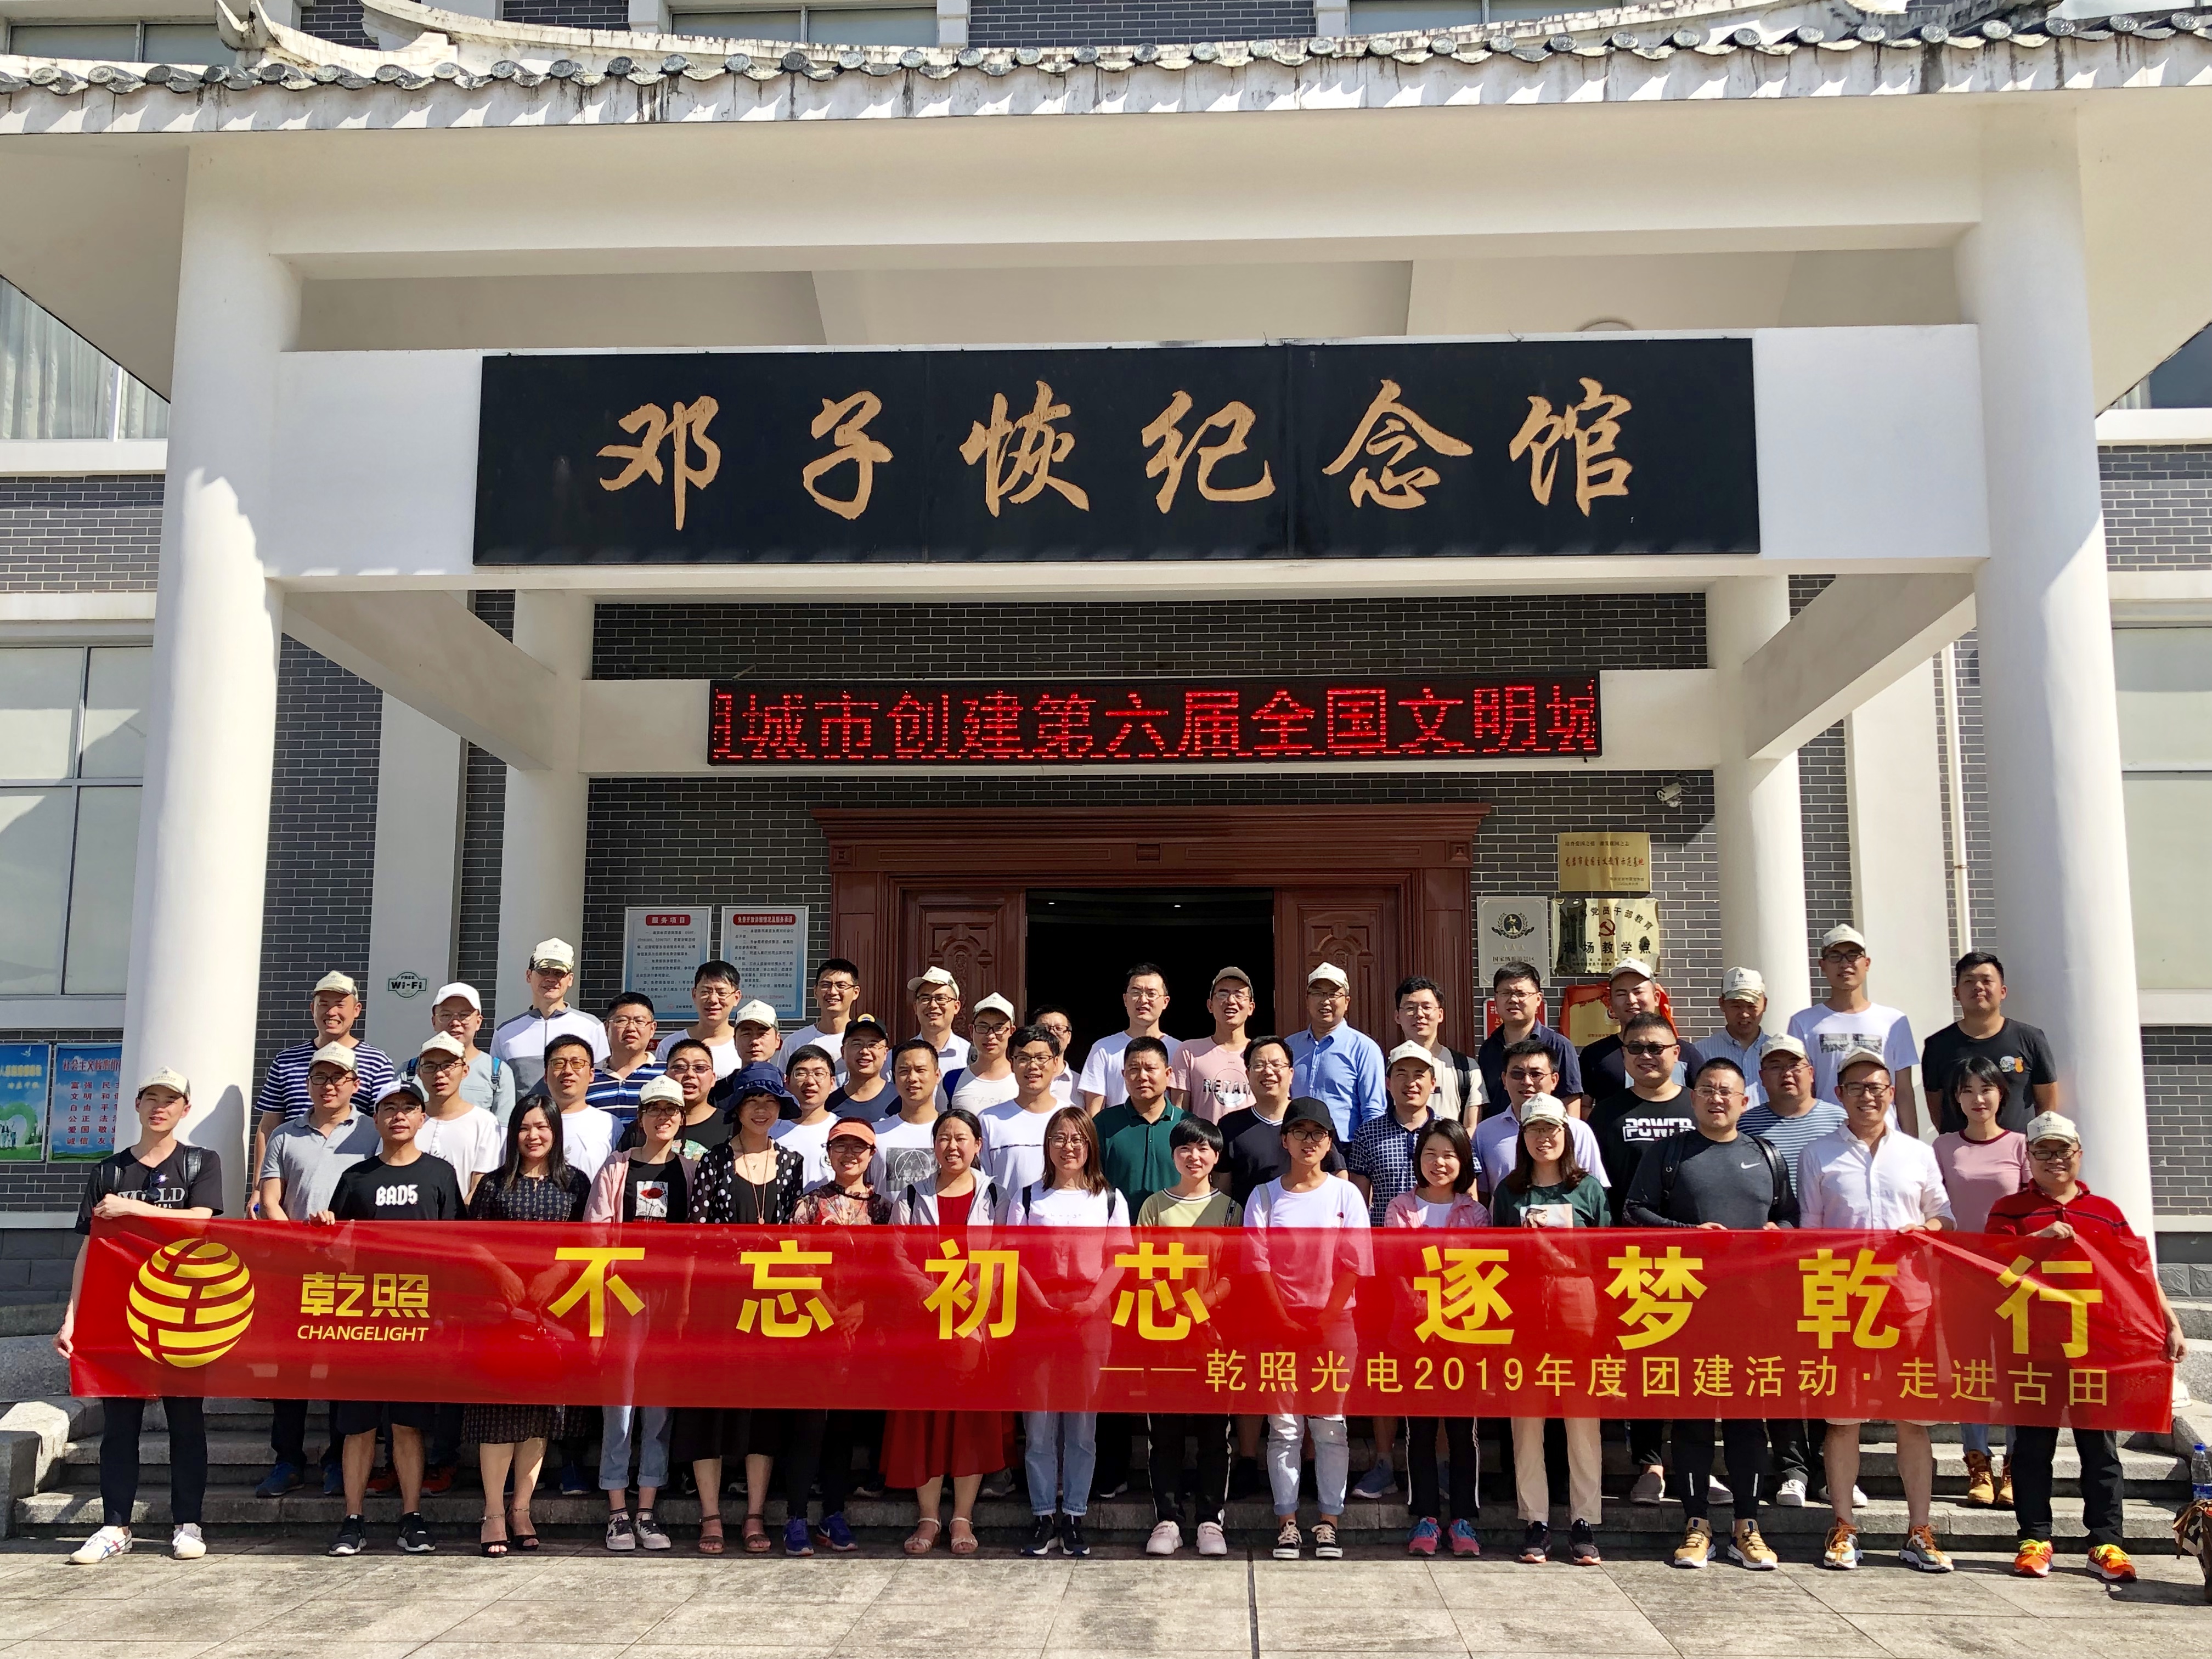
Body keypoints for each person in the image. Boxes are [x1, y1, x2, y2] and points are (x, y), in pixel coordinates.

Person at [1989, 1111, 2189, 1584]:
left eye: (2063, 1150)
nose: (2054, 1159)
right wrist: (2037, 1239)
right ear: (2028, 1157)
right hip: (2033, 1346)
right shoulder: (2009, 1211)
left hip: (2096, 1350)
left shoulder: (2105, 1211)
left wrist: (2171, 1323)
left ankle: (2106, 1542)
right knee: (2032, 1448)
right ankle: (2034, 1540)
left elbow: (2136, 1273)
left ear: (2078, 1155)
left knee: (2100, 1449)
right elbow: (1992, 1269)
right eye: (2043, 1151)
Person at [1622, 1057, 1794, 1571]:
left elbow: (1790, 1217)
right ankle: (1696, 1524)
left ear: (1744, 1101)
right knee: (1693, 1420)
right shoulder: (1669, 1153)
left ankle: (1748, 1526)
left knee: (1747, 1421)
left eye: (1727, 1092)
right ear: (1692, 1098)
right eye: (1707, 1090)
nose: (1717, 1099)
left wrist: (1780, 1233)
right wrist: (1687, 1235)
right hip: (1687, 1308)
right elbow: (1635, 1211)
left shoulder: (1766, 1154)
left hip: (1753, 1310)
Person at [1796, 1049, 1955, 1573]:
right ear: (1838, 1095)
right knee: (1843, 1419)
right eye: (1857, 1088)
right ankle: (1843, 1526)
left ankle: (1920, 1529)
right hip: (1843, 1302)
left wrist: (1926, 1230)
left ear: (1891, 1093)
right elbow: (1810, 1232)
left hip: (1910, 1301)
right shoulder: (1818, 1153)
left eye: (1878, 1087)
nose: (1869, 1096)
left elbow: (1945, 1218)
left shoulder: (1918, 1153)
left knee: (1915, 1418)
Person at [58, 1068, 221, 1565]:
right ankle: (115, 1526)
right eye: (151, 1097)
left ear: (185, 1109)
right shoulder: (109, 1172)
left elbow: (202, 1220)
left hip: (182, 1314)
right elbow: (90, 1248)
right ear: (137, 1104)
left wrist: (134, 1211)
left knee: (186, 1423)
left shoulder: (200, 1162)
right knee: (120, 1426)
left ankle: (187, 1522)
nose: (160, 1107)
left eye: (170, 1099)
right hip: (117, 1315)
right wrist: (72, 1316)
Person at [312, 1080, 466, 1558]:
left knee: (408, 1424)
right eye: (390, 1109)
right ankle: (352, 1520)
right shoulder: (356, 1177)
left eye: (408, 1108)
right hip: (364, 1318)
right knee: (358, 1425)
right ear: (375, 1119)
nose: (399, 1116)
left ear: (422, 1118)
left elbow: (458, 1245)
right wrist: (323, 1230)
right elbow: (331, 1249)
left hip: (418, 1318)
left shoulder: (440, 1174)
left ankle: (411, 1517)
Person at [681, 1077, 806, 1554]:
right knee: (707, 1409)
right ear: (737, 1108)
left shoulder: (793, 1162)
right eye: (752, 1101)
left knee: (764, 1410)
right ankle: (711, 1514)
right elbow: (698, 1235)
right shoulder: (713, 1161)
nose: (761, 1110)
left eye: (770, 1102)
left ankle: (755, 1513)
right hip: (719, 1299)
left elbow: (798, 1236)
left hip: (772, 1301)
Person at [1245, 1097, 1372, 1561]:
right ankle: (1287, 1523)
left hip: (1334, 1327)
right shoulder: (1264, 1196)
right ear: (1285, 1140)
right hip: (1276, 1325)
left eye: (1318, 1133)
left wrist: (1325, 1317)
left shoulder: (1346, 1196)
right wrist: (1282, 1318)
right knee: (1284, 1428)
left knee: (1330, 1427)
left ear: (1329, 1142)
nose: (1309, 1141)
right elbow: (1257, 1263)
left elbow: (1355, 1263)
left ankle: (1329, 1522)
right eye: (1299, 1132)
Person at [463, 1098, 590, 1555]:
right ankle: (493, 1513)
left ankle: (521, 1509)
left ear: (555, 1132)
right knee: (499, 1414)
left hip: (553, 1311)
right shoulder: (495, 1184)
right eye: (524, 1127)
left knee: (539, 1415)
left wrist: (556, 1274)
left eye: (542, 1127)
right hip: (502, 1311)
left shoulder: (575, 1184)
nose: (533, 1136)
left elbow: (586, 1243)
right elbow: (471, 1241)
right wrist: (501, 1272)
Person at [255, 1041, 381, 1499]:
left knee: (342, 1368)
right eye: (320, 1078)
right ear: (307, 1084)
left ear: (355, 1084)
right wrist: (297, 1242)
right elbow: (271, 1199)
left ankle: (336, 1460)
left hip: (352, 1269)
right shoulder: (285, 1135)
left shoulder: (373, 1132)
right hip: (294, 1268)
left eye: (338, 1078)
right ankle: (287, 1459)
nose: (329, 1086)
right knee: (291, 1366)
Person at [888, 1107, 1013, 1556]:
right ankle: (928, 1517)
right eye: (944, 1138)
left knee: (968, 1421)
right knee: (924, 1420)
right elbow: (897, 1255)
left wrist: (973, 1301)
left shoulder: (996, 1194)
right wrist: (932, 1293)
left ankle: (962, 1516)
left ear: (978, 1146)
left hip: (975, 1323)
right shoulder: (911, 1195)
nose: (953, 1146)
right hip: (924, 1324)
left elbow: (1006, 1253)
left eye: (962, 1138)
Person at [1008, 1107, 1131, 1558]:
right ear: (1048, 1145)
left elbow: (1119, 1260)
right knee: (1039, 1424)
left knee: (1082, 1425)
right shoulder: (1028, 1197)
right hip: (1038, 1314)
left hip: (1090, 1316)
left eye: (1078, 1139)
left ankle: (1075, 1515)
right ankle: (1043, 1514)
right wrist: (1038, 1301)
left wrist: (1093, 1304)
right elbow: (1013, 1258)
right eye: (1059, 1138)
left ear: (1091, 1146)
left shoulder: (1109, 1199)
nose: (1069, 1147)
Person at [1488, 1099, 1605, 1565]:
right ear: (1523, 1138)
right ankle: (1535, 1520)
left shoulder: (1587, 1188)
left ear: (1566, 1135)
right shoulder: (1509, 1191)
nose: (1544, 1138)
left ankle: (1584, 1521)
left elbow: (1608, 1255)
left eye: (1552, 1129)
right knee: (1527, 1422)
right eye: (1535, 1129)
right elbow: (1497, 1257)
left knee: (1582, 1422)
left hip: (1579, 1313)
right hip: (1526, 1316)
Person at [1737, 1034, 1848, 1510]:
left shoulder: (1839, 1120)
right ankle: (1792, 1469)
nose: (1786, 1074)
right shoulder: (1747, 1123)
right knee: (1779, 1370)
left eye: (1795, 1065)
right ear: (1761, 1077)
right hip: (1770, 1268)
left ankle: (1830, 1469)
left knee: (1824, 1370)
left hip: (1829, 1266)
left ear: (1811, 1072)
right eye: (1775, 1066)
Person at [585, 1075, 691, 1554]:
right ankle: (617, 1510)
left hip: (672, 1303)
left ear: (682, 1118)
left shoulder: (691, 1169)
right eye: (654, 1109)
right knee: (620, 1402)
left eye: (671, 1110)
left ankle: (647, 1508)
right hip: (623, 1298)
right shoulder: (617, 1166)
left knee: (659, 1405)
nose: (663, 1118)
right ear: (641, 1117)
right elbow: (596, 1233)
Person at [782, 1118, 894, 1556]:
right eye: (840, 1147)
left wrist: (861, 1308)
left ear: (871, 1155)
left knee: (843, 1429)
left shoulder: (883, 1209)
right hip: (814, 1325)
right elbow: (794, 1263)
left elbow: (890, 1269)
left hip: (862, 1330)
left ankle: (833, 1513)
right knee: (809, 1425)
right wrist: (828, 1310)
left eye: (858, 1148)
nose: (850, 1155)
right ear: (828, 1153)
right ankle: (795, 1517)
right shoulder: (809, 1204)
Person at [1346, 1042, 1446, 1503]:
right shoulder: (1368, 1134)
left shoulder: (1448, 1133)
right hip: (1384, 1271)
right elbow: (1358, 1202)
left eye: (1419, 1074)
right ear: (1387, 1082)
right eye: (1401, 1074)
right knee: (1383, 1364)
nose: (1411, 1083)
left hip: (1443, 1273)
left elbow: (1469, 1196)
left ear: (1433, 1082)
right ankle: (1385, 1462)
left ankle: (1440, 1464)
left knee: (1439, 1368)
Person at [1137, 1115, 1240, 1558]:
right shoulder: (1154, 1207)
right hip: (1165, 1337)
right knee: (1165, 1433)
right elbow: (1144, 1270)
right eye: (1185, 1148)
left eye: (1203, 1149)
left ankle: (1210, 1520)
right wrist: (1174, 1311)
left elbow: (1234, 1275)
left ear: (1216, 1157)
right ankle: (1167, 1519)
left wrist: (1197, 1310)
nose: (1194, 1157)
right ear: (1173, 1155)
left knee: (1214, 1434)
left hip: (1215, 1339)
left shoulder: (1231, 1210)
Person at [1383, 1117, 1486, 1558]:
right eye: (1430, 1154)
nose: (1439, 1163)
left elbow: (1483, 1273)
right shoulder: (1401, 1208)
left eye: (1449, 1155)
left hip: (1464, 1335)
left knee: (1464, 1433)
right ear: (1418, 1159)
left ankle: (1463, 1518)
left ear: (1462, 1162)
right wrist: (1427, 1308)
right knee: (1419, 1431)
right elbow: (1397, 1271)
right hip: (1415, 1334)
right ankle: (1424, 1516)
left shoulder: (1476, 1213)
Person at [1933, 1054, 2031, 1508]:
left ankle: (2014, 1466)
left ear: (2001, 1094)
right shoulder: (1942, 1148)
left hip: (2013, 1275)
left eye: (1986, 1089)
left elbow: (2031, 1210)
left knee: (2013, 1371)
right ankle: (1978, 1465)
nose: (1978, 1099)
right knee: (1971, 1371)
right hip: (1960, 1274)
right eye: (1968, 1090)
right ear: (1956, 1099)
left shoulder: (2021, 1146)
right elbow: (1935, 1206)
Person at [251, 970, 395, 1214]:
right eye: (324, 1004)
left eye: (340, 1004)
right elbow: (269, 1126)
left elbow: (383, 1127)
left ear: (357, 1010)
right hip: (293, 1174)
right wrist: (259, 1187)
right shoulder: (286, 1061)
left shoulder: (377, 1061)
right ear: (313, 1009)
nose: (331, 1012)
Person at [1787, 925, 1922, 1135]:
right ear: (1822, 965)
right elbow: (1803, 1090)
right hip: (1827, 1135)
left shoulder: (1894, 1021)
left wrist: (1911, 1142)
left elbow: (1903, 1091)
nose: (1845, 964)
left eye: (1853, 955)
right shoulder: (1803, 1022)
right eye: (1835, 956)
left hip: (1884, 1136)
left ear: (1866, 963)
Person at [1921, 951, 2059, 1135]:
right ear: (1957, 993)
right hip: (1959, 1151)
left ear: (2003, 992)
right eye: (1969, 981)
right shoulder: (1937, 1046)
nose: (1978, 987)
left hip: (2019, 1150)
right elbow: (1936, 1108)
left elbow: (2047, 1104)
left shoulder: (2031, 1039)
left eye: (1986, 981)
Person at [1590, 1012, 1698, 1219]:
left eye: (1656, 1048)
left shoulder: (1700, 1107)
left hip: (1693, 1231)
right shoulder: (1605, 1113)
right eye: (1635, 1048)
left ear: (1676, 1053)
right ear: (1624, 1053)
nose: (1646, 1056)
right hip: (1629, 1233)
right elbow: (1594, 1183)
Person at [1471, 1040, 1609, 1201]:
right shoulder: (1485, 1132)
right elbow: (1481, 1196)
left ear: (1554, 1080)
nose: (1527, 1082)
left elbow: (1595, 1195)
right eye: (1517, 1074)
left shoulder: (1578, 1130)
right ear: (1504, 1080)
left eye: (1536, 1074)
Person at [1219, 1035, 1347, 1207]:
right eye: (1259, 1065)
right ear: (1248, 1074)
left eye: (1276, 1064)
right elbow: (1222, 1191)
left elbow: (1338, 1174)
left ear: (1291, 1073)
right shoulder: (1230, 1126)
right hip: (1251, 1220)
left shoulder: (1315, 1119)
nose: (1268, 1071)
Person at [1577, 958, 1708, 1103]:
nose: (1631, 1000)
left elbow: (1705, 1100)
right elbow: (1584, 1106)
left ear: (1656, 998)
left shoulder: (1686, 1054)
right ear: (1610, 1002)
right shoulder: (1595, 1055)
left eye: (1638, 992)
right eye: (1621, 994)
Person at [491, 938, 609, 1097]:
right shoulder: (505, 1032)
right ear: (529, 975)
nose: (551, 979)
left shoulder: (592, 1027)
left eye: (559, 973)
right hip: (524, 1114)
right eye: (544, 971)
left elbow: (600, 1083)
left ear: (570, 979)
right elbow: (497, 1089)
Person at [1288, 962, 1386, 1141]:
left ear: (1347, 1002)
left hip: (1345, 1149)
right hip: (1295, 1146)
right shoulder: (1289, 1046)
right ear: (1307, 1000)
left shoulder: (1364, 1049)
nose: (1325, 1001)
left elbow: (1373, 1111)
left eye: (1333, 994)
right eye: (1318, 993)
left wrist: (1365, 1153)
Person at [1476, 961, 1584, 1116]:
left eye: (1521, 994)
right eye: (1505, 993)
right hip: (1500, 1131)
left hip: (1546, 1130)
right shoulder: (1488, 1049)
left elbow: (1571, 1104)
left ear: (1539, 999)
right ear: (1496, 998)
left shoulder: (1559, 1046)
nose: (1513, 1000)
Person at [1095, 1036, 1184, 1214]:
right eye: (1134, 1069)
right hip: (1118, 1225)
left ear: (1168, 1074)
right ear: (1124, 1074)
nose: (1142, 1077)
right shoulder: (1103, 1124)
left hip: (1176, 1226)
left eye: (1150, 1069)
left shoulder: (1186, 1123)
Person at [412, 1031, 503, 1203]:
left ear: (465, 1071)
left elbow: (480, 1187)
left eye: (448, 1066)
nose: (439, 1074)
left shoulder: (485, 1122)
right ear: (419, 1072)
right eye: (430, 1066)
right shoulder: (408, 1119)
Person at [1079, 963, 1181, 1111]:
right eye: (1136, 992)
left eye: (1151, 994)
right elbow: (1094, 1114)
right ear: (1125, 999)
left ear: (1165, 1002)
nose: (1143, 1000)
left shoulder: (1180, 1050)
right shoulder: (1103, 1049)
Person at [980, 1025, 1065, 1200]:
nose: (1033, 1066)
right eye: (1023, 1058)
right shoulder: (989, 1121)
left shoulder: (1071, 1118)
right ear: (1012, 1064)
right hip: (1004, 1216)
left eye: (1041, 1058)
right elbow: (980, 1184)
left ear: (1055, 1063)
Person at [1391, 975, 1481, 1122]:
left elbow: (1472, 1127)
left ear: (1440, 1015)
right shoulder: (1386, 1068)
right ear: (1397, 1016)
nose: (1419, 1014)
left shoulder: (1466, 1068)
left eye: (1427, 1007)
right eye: (1410, 1008)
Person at [619, 1037, 727, 1160]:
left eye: (700, 1068)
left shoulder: (730, 1126)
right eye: (680, 1067)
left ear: (713, 1078)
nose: (690, 1074)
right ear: (666, 1076)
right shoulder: (643, 1127)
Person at [420, 981, 514, 1123]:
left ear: (479, 1022)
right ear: (434, 1022)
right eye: (446, 1015)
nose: (455, 1022)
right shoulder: (409, 1072)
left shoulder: (498, 1073)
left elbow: (503, 1129)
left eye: (464, 1015)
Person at [1171, 967, 1256, 1121]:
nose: (1231, 1001)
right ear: (1210, 1005)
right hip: (1203, 1137)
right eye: (1223, 994)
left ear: (1251, 1008)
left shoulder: (1261, 1055)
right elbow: (1179, 1114)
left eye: (1239, 995)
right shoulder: (1189, 1052)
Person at [540, 1032, 620, 1183]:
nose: (568, 1071)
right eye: (559, 1063)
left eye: (577, 1063)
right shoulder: (529, 1123)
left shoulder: (610, 1124)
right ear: (546, 1074)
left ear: (591, 1074)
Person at [872, 1040, 946, 1196]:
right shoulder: (874, 1133)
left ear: (937, 1075)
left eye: (920, 1070)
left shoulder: (951, 1132)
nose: (912, 1078)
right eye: (904, 1071)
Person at [1697, 968, 1776, 1107]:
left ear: (1765, 1004)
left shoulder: (1778, 1052)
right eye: (1736, 1006)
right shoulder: (1700, 1052)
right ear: (1722, 1004)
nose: (1744, 1014)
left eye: (1751, 1006)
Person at [652, 960, 743, 1078]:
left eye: (721, 993)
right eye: (705, 992)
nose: (713, 1000)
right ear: (694, 995)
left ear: (736, 998)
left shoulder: (747, 1045)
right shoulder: (669, 1045)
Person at [588, 991, 665, 1126]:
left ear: (652, 1029)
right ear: (607, 1028)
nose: (631, 1028)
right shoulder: (588, 1075)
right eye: (622, 1021)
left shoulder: (667, 1074)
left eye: (639, 1021)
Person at [771, 1045, 840, 1186]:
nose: (810, 1081)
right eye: (801, 1073)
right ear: (787, 1082)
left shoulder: (842, 1130)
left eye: (819, 1074)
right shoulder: (770, 1131)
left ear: (832, 1083)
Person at [780, 957, 860, 1079]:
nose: (833, 992)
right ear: (815, 991)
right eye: (826, 985)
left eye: (841, 986)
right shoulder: (795, 1042)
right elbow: (784, 1085)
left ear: (856, 992)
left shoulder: (865, 1043)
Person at [946, 994, 1018, 1113]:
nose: (990, 1035)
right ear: (971, 1030)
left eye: (999, 1028)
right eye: (983, 1027)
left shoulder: (1025, 1080)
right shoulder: (952, 1081)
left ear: (1011, 1032)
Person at [828, 1017, 898, 1120]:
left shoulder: (901, 1099)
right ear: (843, 1052)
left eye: (873, 1045)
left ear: (885, 1053)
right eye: (857, 1044)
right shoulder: (829, 1105)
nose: (865, 1051)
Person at [909, 966, 973, 1075]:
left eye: (941, 999)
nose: (933, 1005)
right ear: (915, 1007)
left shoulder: (971, 1056)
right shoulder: (895, 1058)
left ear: (956, 1007)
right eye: (925, 999)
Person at [1026, 1004, 1079, 1105]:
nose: (1052, 1033)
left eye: (1058, 1028)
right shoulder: (1019, 1080)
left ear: (1069, 1037)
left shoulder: (1081, 1085)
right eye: (1043, 1028)